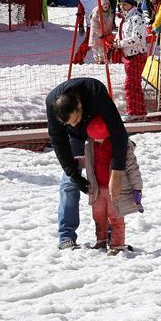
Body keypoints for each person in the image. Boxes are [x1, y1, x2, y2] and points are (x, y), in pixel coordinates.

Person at [46, 77, 128, 250]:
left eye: (75, 120)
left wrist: (117, 171)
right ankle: (66, 237)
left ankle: (110, 235)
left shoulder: (95, 92)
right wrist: (73, 174)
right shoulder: (52, 104)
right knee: (69, 184)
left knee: (106, 183)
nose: (74, 125)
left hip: (100, 134)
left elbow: (118, 132)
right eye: (68, 123)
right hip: (75, 140)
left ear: (80, 105)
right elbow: (58, 141)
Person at [83, 114, 143, 255]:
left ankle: (117, 245)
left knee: (116, 218)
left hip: (115, 190)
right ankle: (101, 241)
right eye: (93, 136)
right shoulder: (90, 144)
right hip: (97, 189)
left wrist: (137, 188)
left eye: (99, 136)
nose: (96, 139)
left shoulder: (121, 146)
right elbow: (91, 163)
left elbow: (132, 168)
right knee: (98, 217)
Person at [115, 0, 149, 118]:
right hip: (129, 55)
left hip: (136, 55)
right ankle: (139, 111)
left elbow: (137, 38)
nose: (122, 7)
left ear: (131, 4)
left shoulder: (137, 18)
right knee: (134, 84)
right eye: (121, 4)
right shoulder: (126, 18)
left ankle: (134, 112)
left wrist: (121, 44)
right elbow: (122, 33)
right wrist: (115, 41)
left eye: (125, 4)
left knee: (130, 85)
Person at [88, 0, 116, 64]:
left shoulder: (109, 12)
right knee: (97, 49)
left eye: (107, 4)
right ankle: (98, 61)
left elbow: (110, 23)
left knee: (104, 49)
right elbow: (94, 25)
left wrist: (109, 32)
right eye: (104, 4)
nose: (106, 6)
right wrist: (100, 33)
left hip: (105, 34)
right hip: (97, 35)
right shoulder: (96, 13)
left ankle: (103, 60)